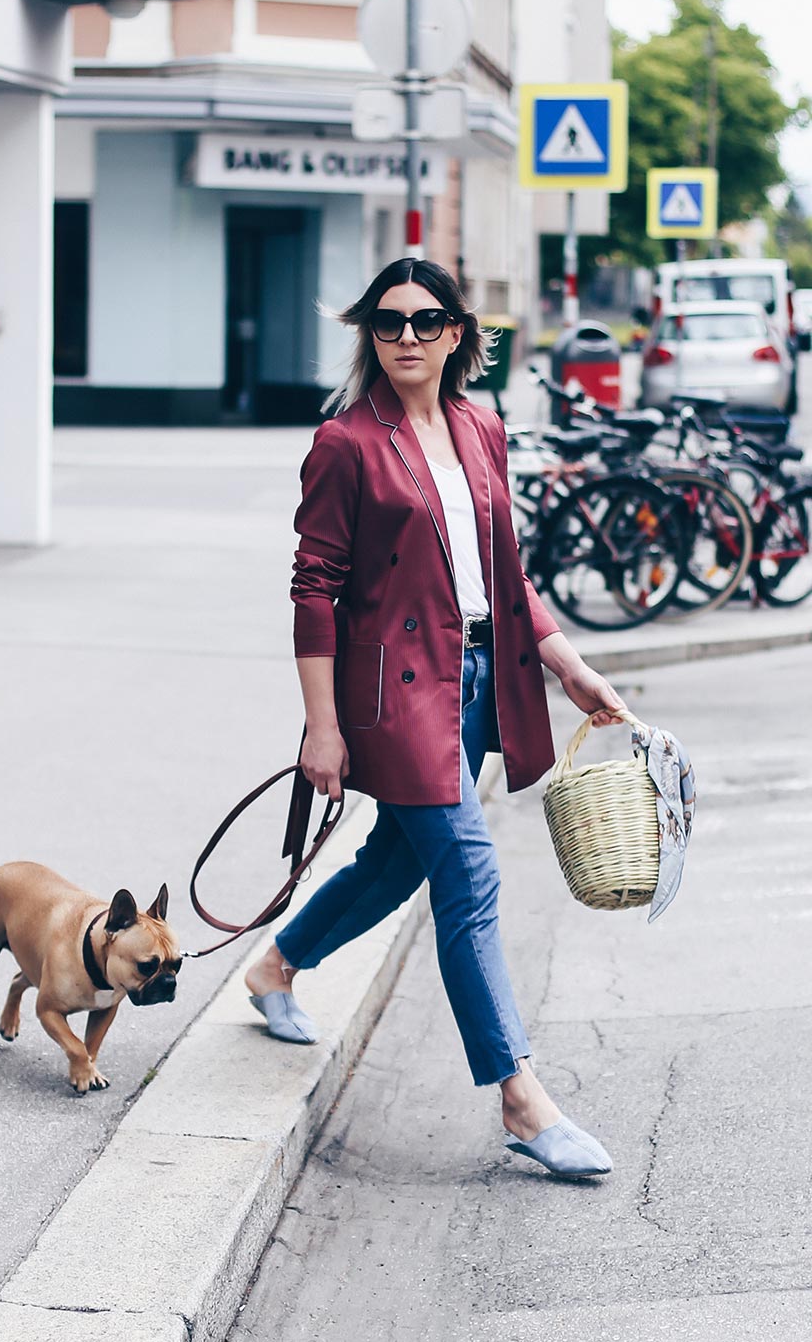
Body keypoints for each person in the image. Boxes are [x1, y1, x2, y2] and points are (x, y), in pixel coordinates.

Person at [244, 258, 624, 1178]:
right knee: (468, 875)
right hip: (398, 693)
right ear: (368, 333)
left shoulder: (479, 426)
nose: (404, 337)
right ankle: (521, 1097)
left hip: (481, 672)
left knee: (393, 864)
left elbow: (507, 571)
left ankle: (277, 965)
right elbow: (314, 589)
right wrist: (320, 724)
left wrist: (566, 663)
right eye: (386, 322)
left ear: (457, 331)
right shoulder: (346, 441)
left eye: (423, 320)